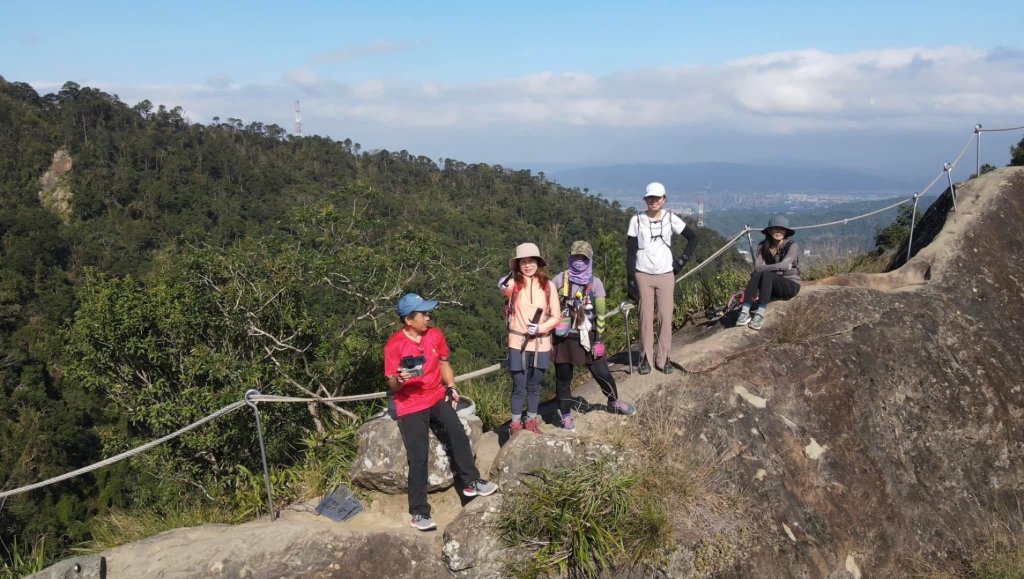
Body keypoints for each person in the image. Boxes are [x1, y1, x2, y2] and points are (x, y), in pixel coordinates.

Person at [384, 292, 498, 531]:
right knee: (418, 456)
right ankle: (419, 512)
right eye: (423, 314)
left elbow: (444, 363)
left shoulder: (435, 335)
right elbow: (391, 384)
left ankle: (471, 481)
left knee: (456, 430)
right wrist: (399, 379)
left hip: (436, 396)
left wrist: (452, 387)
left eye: (428, 312)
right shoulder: (394, 346)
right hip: (410, 403)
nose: (428, 317)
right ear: (408, 319)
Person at [551, 241, 636, 431]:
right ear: (570, 257)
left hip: (587, 335)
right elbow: (545, 293)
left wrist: (599, 339)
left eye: (584, 258)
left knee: (603, 373)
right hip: (563, 338)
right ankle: (566, 416)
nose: (579, 261)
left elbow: (600, 314)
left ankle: (613, 402)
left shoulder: (594, 283)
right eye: (576, 257)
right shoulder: (561, 279)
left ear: (589, 260)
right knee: (563, 378)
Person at [625, 182, 698, 374]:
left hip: (666, 274)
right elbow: (631, 250)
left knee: (665, 317)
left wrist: (680, 261)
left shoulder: (670, 218)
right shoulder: (636, 220)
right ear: (645, 199)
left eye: (657, 198)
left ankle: (663, 358)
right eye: (650, 198)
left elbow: (693, 238)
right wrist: (630, 278)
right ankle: (645, 358)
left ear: (664, 199)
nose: (653, 201)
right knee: (645, 318)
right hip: (643, 273)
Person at [499, 243, 561, 436]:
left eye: (531, 261)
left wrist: (540, 327)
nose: (527, 265)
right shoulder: (514, 285)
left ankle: (531, 420)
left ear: (538, 263)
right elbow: (503, 288)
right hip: (517, 341)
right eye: (523, 262)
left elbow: (556, 316)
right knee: (519, 386)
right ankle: (516, 423)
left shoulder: (549, 286)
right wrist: (504, 281)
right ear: (518, 265)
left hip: (541, 342)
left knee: (534, 386)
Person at [735, 216, 801, 330]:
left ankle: (759, 314)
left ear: (786, 232)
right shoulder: (763, 246)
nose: (778, 232)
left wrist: (765, 268)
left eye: (782, 229)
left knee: (765, 274)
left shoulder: (791, 246)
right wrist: (774, 268)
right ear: (770, 231)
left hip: (790, 285)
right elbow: (757, 268)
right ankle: (744, 312)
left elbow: (785, 266)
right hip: (771, 285)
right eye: (775, 229)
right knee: (757, 275)